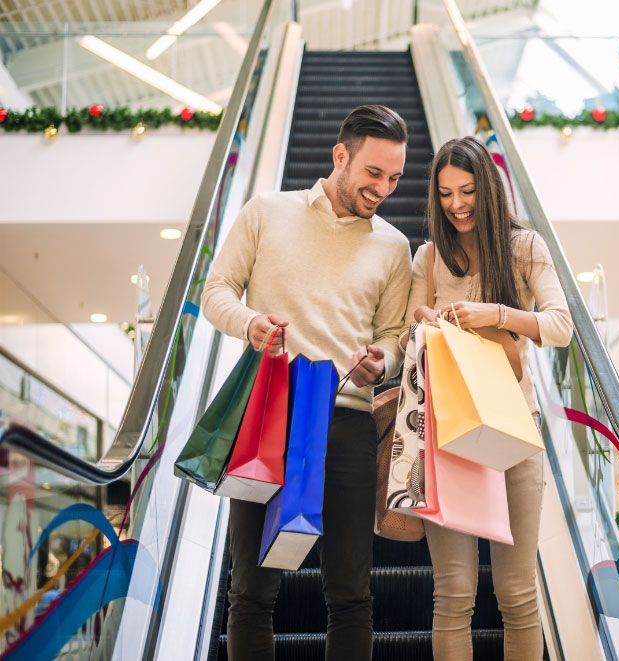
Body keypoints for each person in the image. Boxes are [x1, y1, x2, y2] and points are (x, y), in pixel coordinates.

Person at [201, 104, 412, 660]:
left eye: (395, 178)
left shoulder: (394, 246)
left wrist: (382, 360)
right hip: (269, 413)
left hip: (347, 423)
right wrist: (250, 323)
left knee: (351, 594)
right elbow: (216, 290)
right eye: (374, 173)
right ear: (341, 155)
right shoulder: (267, 212)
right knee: (251, 590)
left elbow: (394, 333)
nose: (384, 188)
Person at [402, 136, 573, 660]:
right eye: (447, 193)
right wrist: (427, 320)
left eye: (469, 191)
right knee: (453, 594)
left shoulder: (525, 247)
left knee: (517, 594)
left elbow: (560, 327)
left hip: (515, 430)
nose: (456, 205)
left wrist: (496, 314)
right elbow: (411, 321)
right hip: (447, 433)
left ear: (490, 190)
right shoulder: (429, 256)